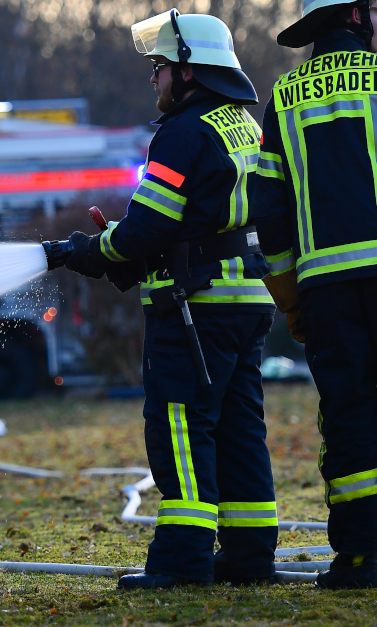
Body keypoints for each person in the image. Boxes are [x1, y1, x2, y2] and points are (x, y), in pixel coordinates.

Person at [62, 9, 279, 589]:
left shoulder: (183, 133)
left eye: (159, 68)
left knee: (181, 428)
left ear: (189, 73)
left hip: (193, 308)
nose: (153, 79)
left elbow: (147, 229)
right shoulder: (242, 125)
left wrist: (88, 248)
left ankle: (182, 563)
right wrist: (127, 252)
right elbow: (196, 225)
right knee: (239, 430)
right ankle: (250, 557)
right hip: (245, 300)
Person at [253, 0, 377, 590]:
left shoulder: (284, 96)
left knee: (350, 417)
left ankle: (360, 557)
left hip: (325, 289)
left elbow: (269, 213)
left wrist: (290, 299)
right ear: (355, 15)